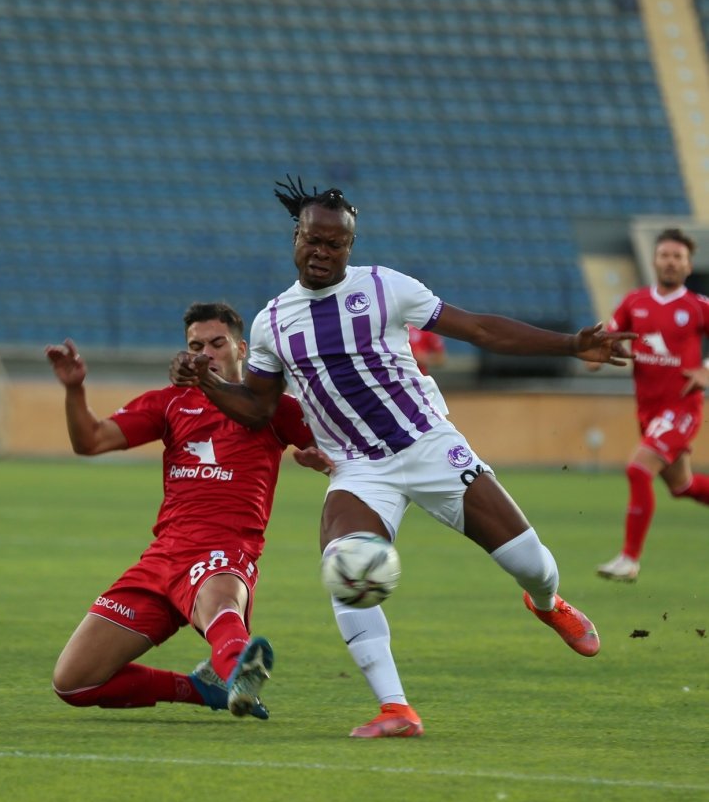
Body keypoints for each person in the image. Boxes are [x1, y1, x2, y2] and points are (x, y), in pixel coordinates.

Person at [169, 177, 635, 739]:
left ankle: (547, 603)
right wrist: (208, 382)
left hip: (429, 445)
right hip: (359, 470)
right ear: (296, 238)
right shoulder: (273, 322)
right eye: (312, 240)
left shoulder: (387, 289)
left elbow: (480, 328)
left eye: (334, 244)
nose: (321, 252)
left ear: (350, 247)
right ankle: (397, 709)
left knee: (530, 562)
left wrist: (569, 344)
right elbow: (258, 408)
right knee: (345, 571)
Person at [47, 301, 332, 720]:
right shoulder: (171, 403)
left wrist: (322, 462)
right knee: (73, 681)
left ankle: (240, 671)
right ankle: (203, 688)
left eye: (217, 343)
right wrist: (74, 390)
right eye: (196, 345)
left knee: (220, 605)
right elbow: (91, 440)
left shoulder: (274, 409)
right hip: (162, 558)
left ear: (241, 348)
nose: (207, 353)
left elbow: (341, 458)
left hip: (224, 550)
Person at [594, 227, 709, 582]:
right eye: (665, 255)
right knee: (682, 487)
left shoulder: (698, 307)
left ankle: (630, 559)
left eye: (678, 257)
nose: (671, 262)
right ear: (654, 260)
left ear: (689, 266)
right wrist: (596, 352)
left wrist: (707, 370)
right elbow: (606, 339)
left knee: (638, 468)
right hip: (649, 412)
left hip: (682, 409)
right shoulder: (634, 302)